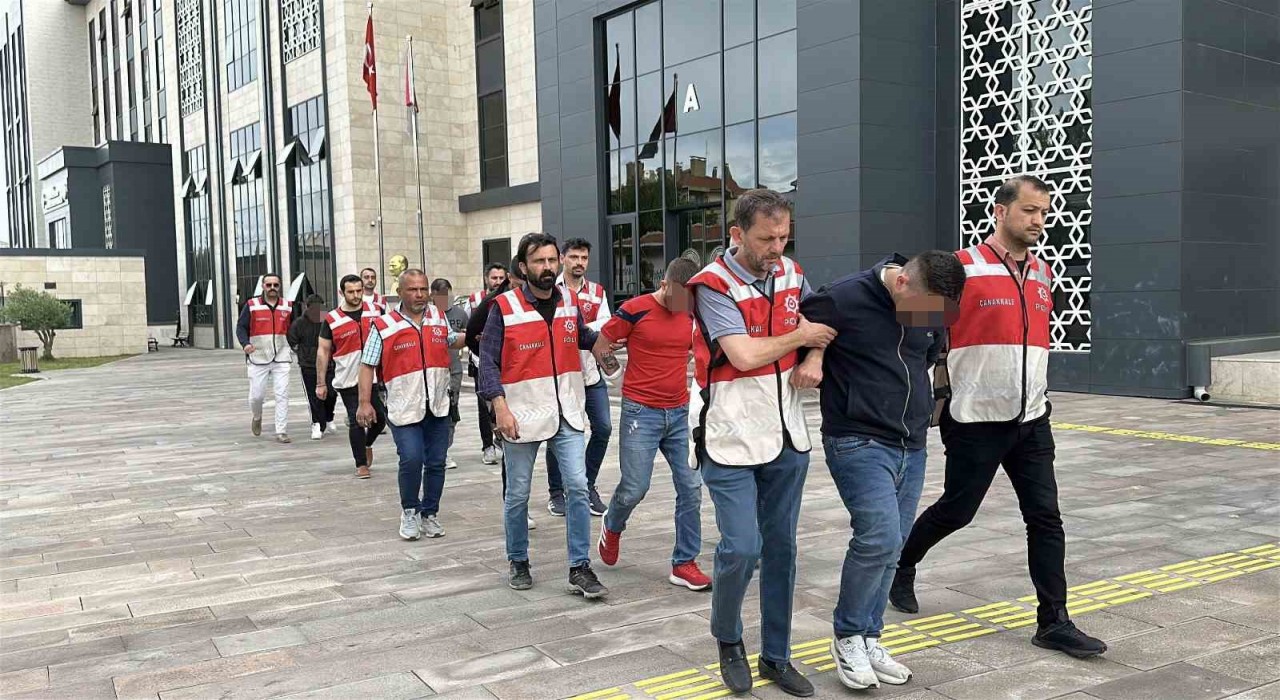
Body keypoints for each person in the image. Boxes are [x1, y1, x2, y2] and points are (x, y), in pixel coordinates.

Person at [891, 175, 1107, 659]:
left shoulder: (1043, 272)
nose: (1038, 221)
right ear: (1000, 211)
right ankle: (902, 564)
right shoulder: (962, 268)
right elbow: (915, 328)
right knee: (958, 510)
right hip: (975, 419)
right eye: (1029, 211)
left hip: (1032, 418)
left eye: (1044, 213)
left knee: (1046, 518)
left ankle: (1054, 621)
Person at [688, 189, 835, 697]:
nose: (778, 247)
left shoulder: (793, 274)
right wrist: (802, 338)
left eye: (783, 236)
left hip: (787, 436)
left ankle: (776, 655)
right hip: (729, 436)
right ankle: (728, 638)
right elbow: (745, 355)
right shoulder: (711, 285)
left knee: (782, 550)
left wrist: (814, 359)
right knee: (742, 547)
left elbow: (822, 332)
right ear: (736, 235)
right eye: (766, 238)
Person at [798, 252, 965, 690]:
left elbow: (926, 354)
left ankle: (871, 636)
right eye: (925, 308)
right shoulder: (843, 297)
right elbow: (803, 329)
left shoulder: (929, 305)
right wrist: (815, 356)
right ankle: (848, 634)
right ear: (904, 282)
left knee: (894, 545)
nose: (928, 318)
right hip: (857, 437)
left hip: (912, 441)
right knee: (878, 537)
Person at [479, 233, 620, 598]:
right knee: (518, 493)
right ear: (523, 268)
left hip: (566, 411)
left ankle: (579, 567)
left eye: (551, 260)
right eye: (539, 261)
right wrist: (500, 408)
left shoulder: (570, 301)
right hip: (521, 415)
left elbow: (582, 336)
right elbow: (488, 365)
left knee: (576, 486)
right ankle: (518, 559)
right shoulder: (503, 307)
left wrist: (606, 342)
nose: (547, 267)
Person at [594, 256, 710, 590]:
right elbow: (602, 344)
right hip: (640, 414)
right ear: (664, 285)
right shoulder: (635, 308)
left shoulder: (691, 313)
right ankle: (613, 524)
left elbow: (694, 348)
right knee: (635, 488)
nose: (684, 305)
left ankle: (684, 562)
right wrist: (616, 377)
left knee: (691, 487)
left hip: (678, 413)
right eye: (679, 297)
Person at [357, 269, 464, 541]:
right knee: (412, 458)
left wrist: (478, 335)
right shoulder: (383, 325)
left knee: (437, 462)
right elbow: (367, 365)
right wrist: (364, 403)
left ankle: (430, 513)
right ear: (401, 293)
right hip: (403, 407)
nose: (420, 294)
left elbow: (452, 341)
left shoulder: (439, 317)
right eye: (413, 289)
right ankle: (409, 510)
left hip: (438, 405)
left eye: (423, 289)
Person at [546, 238, 613, 518]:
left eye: (584, 258)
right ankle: (556, 492)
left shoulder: (597, 292)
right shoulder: (551, 291)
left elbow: (606, 327)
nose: (579, 263)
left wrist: (578, 327)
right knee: (557, 431)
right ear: (563, 258)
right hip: (561, 376)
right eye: (574, 257)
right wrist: (585, 328)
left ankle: (587, 484)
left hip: (590, 372)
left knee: (604, 428)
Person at [316, 274, 386, 479]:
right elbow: (323, 350)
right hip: (347, 378)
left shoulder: (376, 311)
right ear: (342, 292)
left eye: (359, 290)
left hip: (373, 376)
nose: (356, 295)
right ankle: (361, 464)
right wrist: (321, 383)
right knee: (357, 419)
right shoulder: (331, 319)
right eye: (351, 292)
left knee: (380, 419)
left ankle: (367, 443)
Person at [236, 272, 297, 443]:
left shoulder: (288, 306)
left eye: (275, 285)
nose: (272, 288)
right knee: (257, 396)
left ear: (280, 287)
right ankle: (257, 416)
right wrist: (245, 344)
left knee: (282, 394)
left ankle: (281, 430)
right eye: (268, 285)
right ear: (263, 286)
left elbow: (294, 328)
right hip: (258, 356)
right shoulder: (252, 305)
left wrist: (296, 344)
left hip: (282, 356)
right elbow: (240, 327)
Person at [467, 263, 511, 465]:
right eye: (494, 278)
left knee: (501, 404)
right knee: (484, 407)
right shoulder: (474, 301)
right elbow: (468, 330)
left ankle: (500, 437)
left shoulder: (509, 299)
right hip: (479, 361)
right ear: (486, 279)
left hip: (503, 361)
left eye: (502, 278)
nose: (498, 282)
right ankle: (487, 446)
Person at [288, 294, 338, 441]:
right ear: (307, 307)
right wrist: (302, 353)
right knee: (314, 395)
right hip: (308, 365)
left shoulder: (329, 321)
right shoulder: (299, 323)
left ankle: (329, 417)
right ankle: (317, 423)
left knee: (331, 393)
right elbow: (292, 339)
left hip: (329, 363)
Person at [432, 278, 469, 470]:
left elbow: (468, 335)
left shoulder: (460, 314)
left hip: (453, 370)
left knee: (451, 411)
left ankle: (444, 450)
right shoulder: (429, 315)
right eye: (439, 296)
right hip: (433, 371)